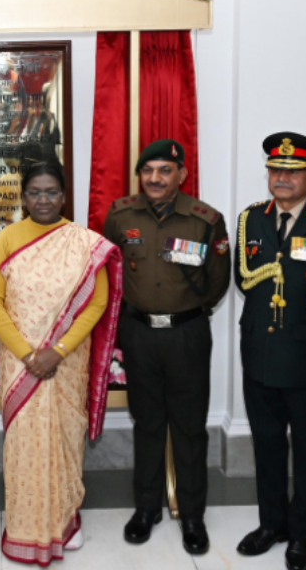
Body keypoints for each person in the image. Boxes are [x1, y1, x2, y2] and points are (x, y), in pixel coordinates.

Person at [0, 161, 123, 565]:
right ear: (23, 197)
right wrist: (29, 355)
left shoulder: (83, 242)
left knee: (64, 439)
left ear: (64, 196)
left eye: (51, 192)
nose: (43, 200)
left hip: (66, 362)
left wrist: (56, 351)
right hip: (20, 364)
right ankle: (25, 529)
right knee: (24, 444)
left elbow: (96, 302)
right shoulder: (8, 238)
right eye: (35, 193)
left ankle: (65, 522)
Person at [102, 139, 231, 556]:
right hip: (139, 334)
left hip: (187, 334)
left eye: (164, 170)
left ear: (181, 175)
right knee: (148, 423)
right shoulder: (121, 215)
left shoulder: (205, 219)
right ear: (140, 175)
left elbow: (217, 281)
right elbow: (110, 271)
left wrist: (184, 312)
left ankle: (192, 515)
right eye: (148, 170)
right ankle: (146, 509)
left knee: (190, 427)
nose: (155, 178)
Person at [234, 133, 306, 570]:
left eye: (293, 172)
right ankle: (271, 524)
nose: (283, 178)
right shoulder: (250, 220)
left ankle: (301, 534)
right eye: (276, 170)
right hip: (259, 354)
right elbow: (244, 279)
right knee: (267, 446)